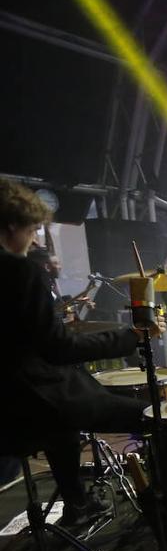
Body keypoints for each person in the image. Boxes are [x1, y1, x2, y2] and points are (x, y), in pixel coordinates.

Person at [0, 180, 154, 525]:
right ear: (12, 225)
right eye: (33, 229)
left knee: (61, 426)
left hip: (8, 405)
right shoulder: (19, 270)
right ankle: (163, 503)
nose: (35, 240)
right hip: (32, 399)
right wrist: (129, 338)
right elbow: (59, 348)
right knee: (151, 414)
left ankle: (78, 504)